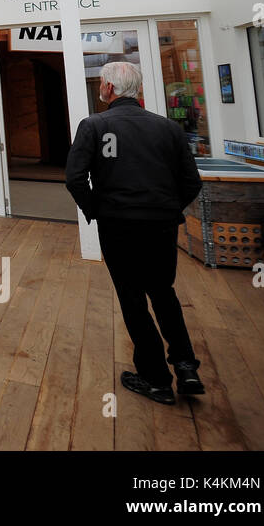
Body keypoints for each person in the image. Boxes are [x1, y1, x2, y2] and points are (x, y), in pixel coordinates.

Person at [65, 61, 204, 405]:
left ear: (109, 89)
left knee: (132, 298)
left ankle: (156, 378)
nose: (101, 87)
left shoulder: (94, 125)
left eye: (101, 83)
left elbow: (74, 178)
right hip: (161, 224)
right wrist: (169, 209)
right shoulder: (168, 128)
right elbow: (191, 182)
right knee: (163, 292)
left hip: (118, 224)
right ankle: (186, 366)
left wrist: (97, 209)